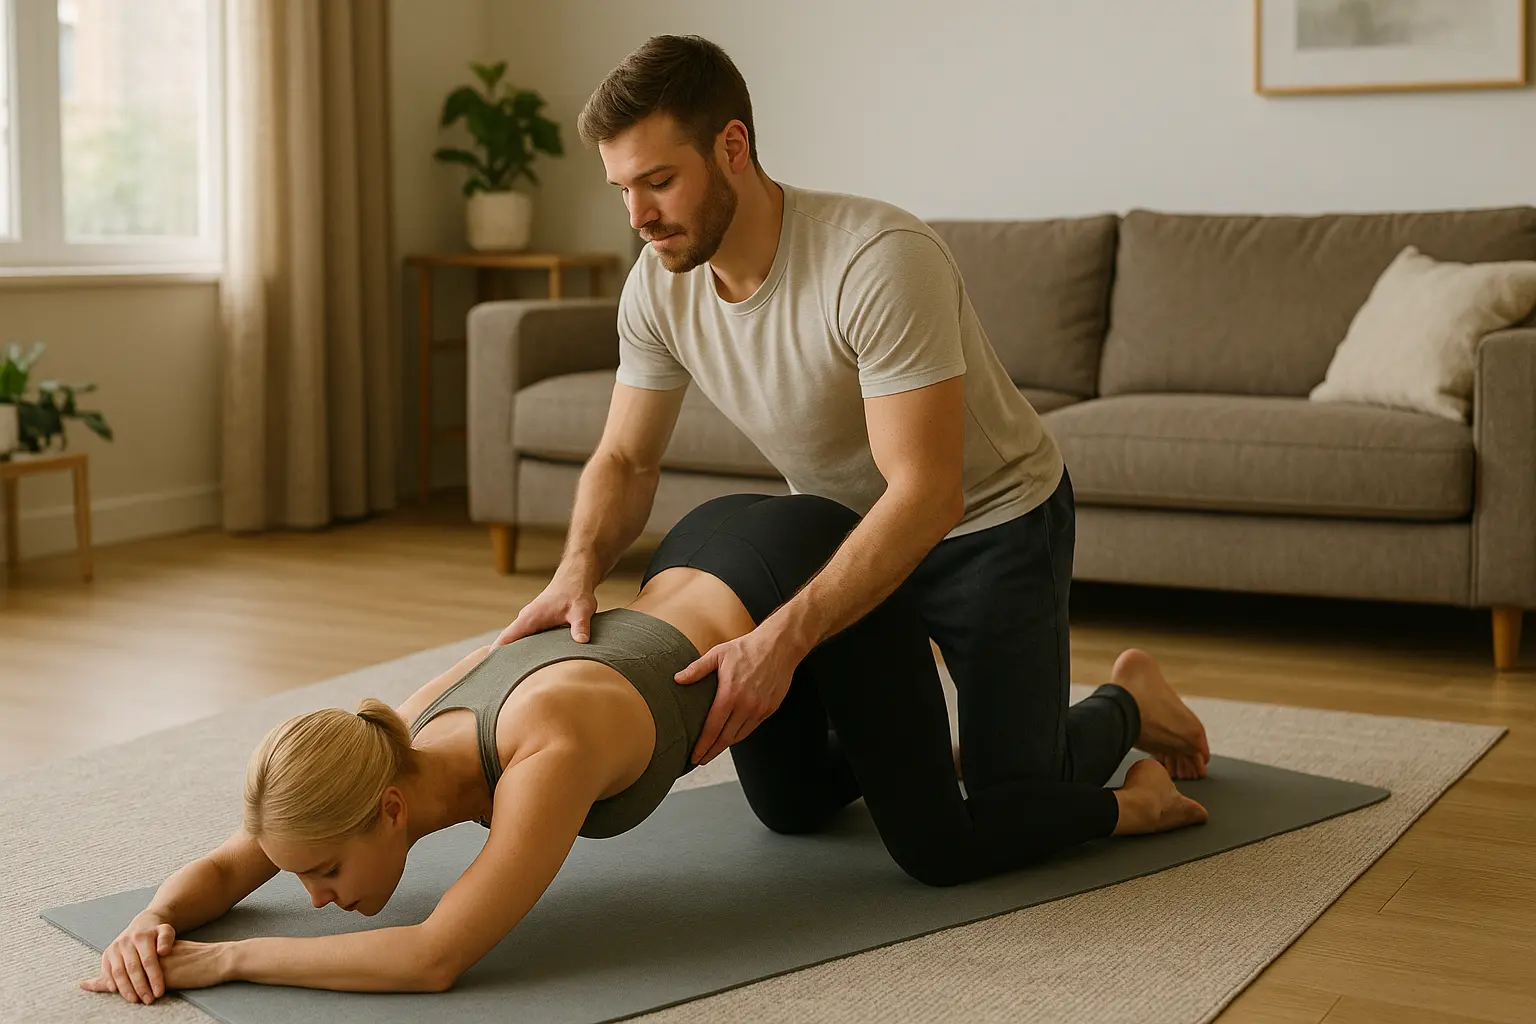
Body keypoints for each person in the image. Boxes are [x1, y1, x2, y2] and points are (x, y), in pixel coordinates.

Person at [80, 493, 1209, 1006]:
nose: (313, 897)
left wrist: (224, 962)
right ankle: (924, 739)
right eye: (306, 878)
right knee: (798, 809)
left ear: (384, 816)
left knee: (942, 842)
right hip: (708, 548)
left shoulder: (547, 750)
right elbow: (240, 861)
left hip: (806, 575)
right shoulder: (377, 747)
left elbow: (431, 958)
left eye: (321, 875)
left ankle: (1125, 735)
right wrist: (156, 922)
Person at [492, 33, 1212, 797]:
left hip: (990, 524)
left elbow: (928, 494)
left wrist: (784, 636)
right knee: (797, 797)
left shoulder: (875, 258)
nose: (637, 214)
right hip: (842, 533)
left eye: (659, 180)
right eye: (621, 189)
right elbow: (627, 460)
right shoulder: (658, 286)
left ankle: (1129, 702)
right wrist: (577, 569)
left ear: (732, 145)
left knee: (1019, 796)